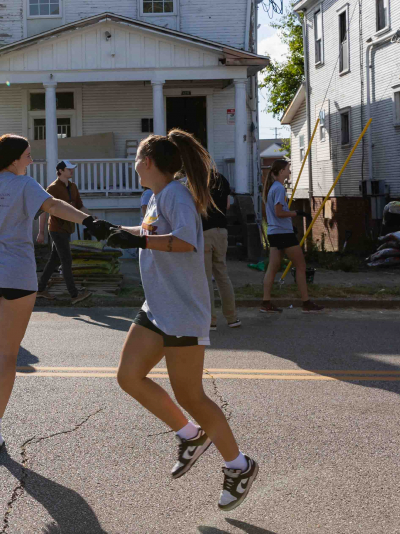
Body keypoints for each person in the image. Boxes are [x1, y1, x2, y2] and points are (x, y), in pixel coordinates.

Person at [104, 129, 258, 512]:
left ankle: (239, 466)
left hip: (183, 310)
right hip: (158, 306)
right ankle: (190, 436)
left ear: (148, 162)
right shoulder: (157, 196)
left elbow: (186, 240)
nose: (134, 165)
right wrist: (115, 231)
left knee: (191, 396)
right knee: (129, 376)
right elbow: (151, 233)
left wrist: (139, 241)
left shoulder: (175, 194)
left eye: (136, 158)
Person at [0, 134, 114, 448]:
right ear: (14, 159)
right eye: (27, 155)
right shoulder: (24, 185)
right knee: (10, 352)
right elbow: (53, 205)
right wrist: (89, 220)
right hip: (17, 275)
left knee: (5, 336)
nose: (31, 159)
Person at [260, 160, 323, 313]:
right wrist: (297, 213)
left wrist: (290, 225)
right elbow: (279, 212)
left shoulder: (272, 188)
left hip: (274, 232)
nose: (289, 172)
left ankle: (265, 303)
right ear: (281, 171)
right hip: (283, 233)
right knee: (301, 266)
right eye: (288, 169)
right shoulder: (279, 188)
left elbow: (275, 214)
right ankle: (306, 303)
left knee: (272, 268)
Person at [36, 160, 92, 304]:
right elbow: (43, 211)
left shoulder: (73, 187)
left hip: (68, 228)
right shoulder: (52, 188)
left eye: (72, 169)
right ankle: (74, 295)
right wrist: (41, 232)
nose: (72, 171)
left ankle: (40, 289)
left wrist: (92, 219)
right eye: (69, 169)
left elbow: (79, 206)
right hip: (56, 229)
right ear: (60, 171)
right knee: (66, 260)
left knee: (54, 260)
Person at [202, 170, 241, 330]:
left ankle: (211, 320)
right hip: (221, 231)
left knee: (205, 278)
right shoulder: (222, 179)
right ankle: (232, 318)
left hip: (204, 232)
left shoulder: (197, 180)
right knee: (222, 275)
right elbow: (227, 205)